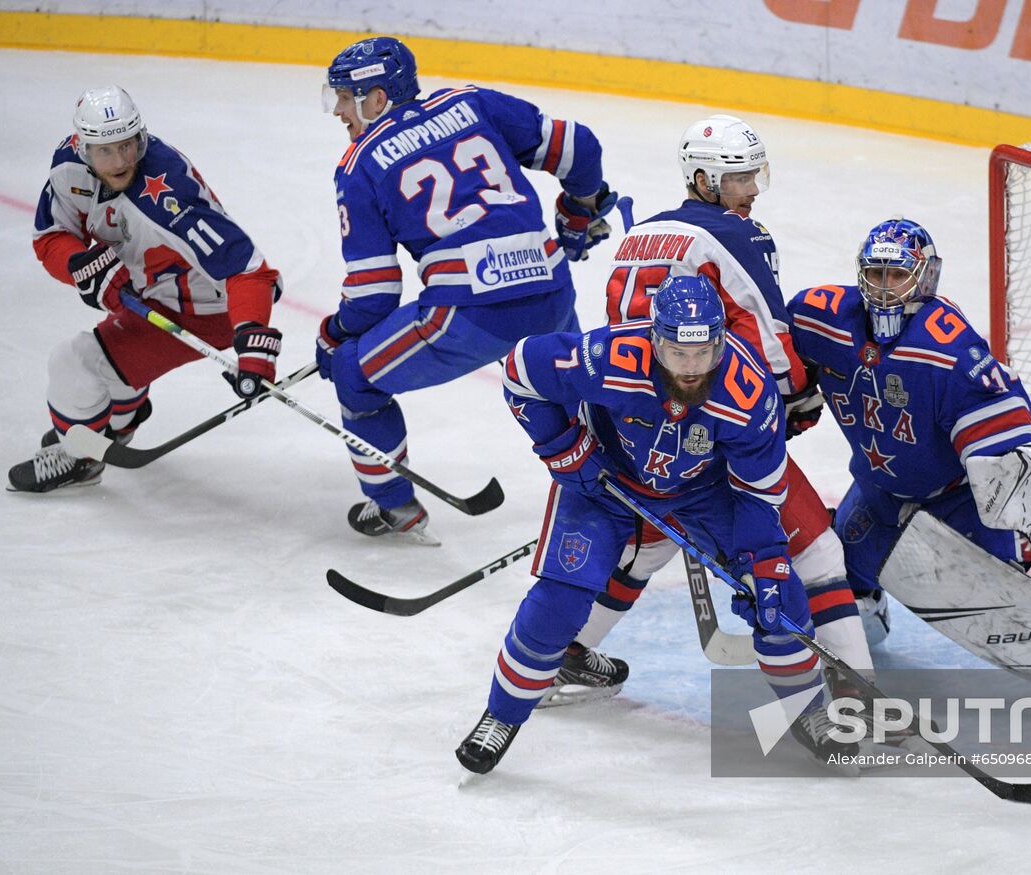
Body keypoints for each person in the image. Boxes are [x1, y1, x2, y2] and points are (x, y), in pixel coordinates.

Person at [786, 217, 1031, 731]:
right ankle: (866, 613)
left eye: (898, 275)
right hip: (877, 492)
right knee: (832, 569)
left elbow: (1001, 437)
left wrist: (1021, 496)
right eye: (877, 274)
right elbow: (770, 350)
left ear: (925, 278)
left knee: (1006, 607)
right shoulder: (821, 318)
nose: (885, 288)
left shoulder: (949, 350)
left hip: (955, 504)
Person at [456, 276, 839, 774]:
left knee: (779, 598)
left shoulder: (748, 395)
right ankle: (501, 716)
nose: (692, 366)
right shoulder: (609, 357)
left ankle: (810, 713)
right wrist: (562, 448)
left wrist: (763, 562)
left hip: (703, 492)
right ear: (655, 339)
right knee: (559, 601)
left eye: (704, 352)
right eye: (679, 352)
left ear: (721, 340)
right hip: (604, 482)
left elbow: (758, 495)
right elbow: (520, 371)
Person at [569, 114, 871, 695]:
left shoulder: (640, 237)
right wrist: (795, 401)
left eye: (755, 175)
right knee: (816, 551)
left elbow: (621, 336)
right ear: (705, 180)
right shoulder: (737, 236)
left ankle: (566, 647)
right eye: (738, 178)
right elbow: (767, 334)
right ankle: (862, 691)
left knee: (653, 538)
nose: (752, 189)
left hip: (630, 420)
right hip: (711, 417)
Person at [315, 37, 619, 541]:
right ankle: (631, 489)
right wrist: (579, 212)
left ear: (376, 99)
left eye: (346, 97)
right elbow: (579, 147)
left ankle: (394, 506)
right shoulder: (470, 102)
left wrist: (334, 334)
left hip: (467, 315)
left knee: (355, 376)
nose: (339, 111)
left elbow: (373, 293)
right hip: (550, 292)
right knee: (577, 393)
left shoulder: (359, 164)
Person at [9, 86, 283, 493]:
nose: (121, 161)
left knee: (73, 363)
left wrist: (252, 339)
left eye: (128, 145)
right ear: (83, 148)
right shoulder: (67, 167)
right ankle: (117, 424)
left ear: (141, 137)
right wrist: (77, 265)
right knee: (112, 372)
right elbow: (51, 235)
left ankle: (79, 458)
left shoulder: (168, 196)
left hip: (208, 309)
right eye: (106, 151)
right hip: (154, 291)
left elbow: (249, 270)